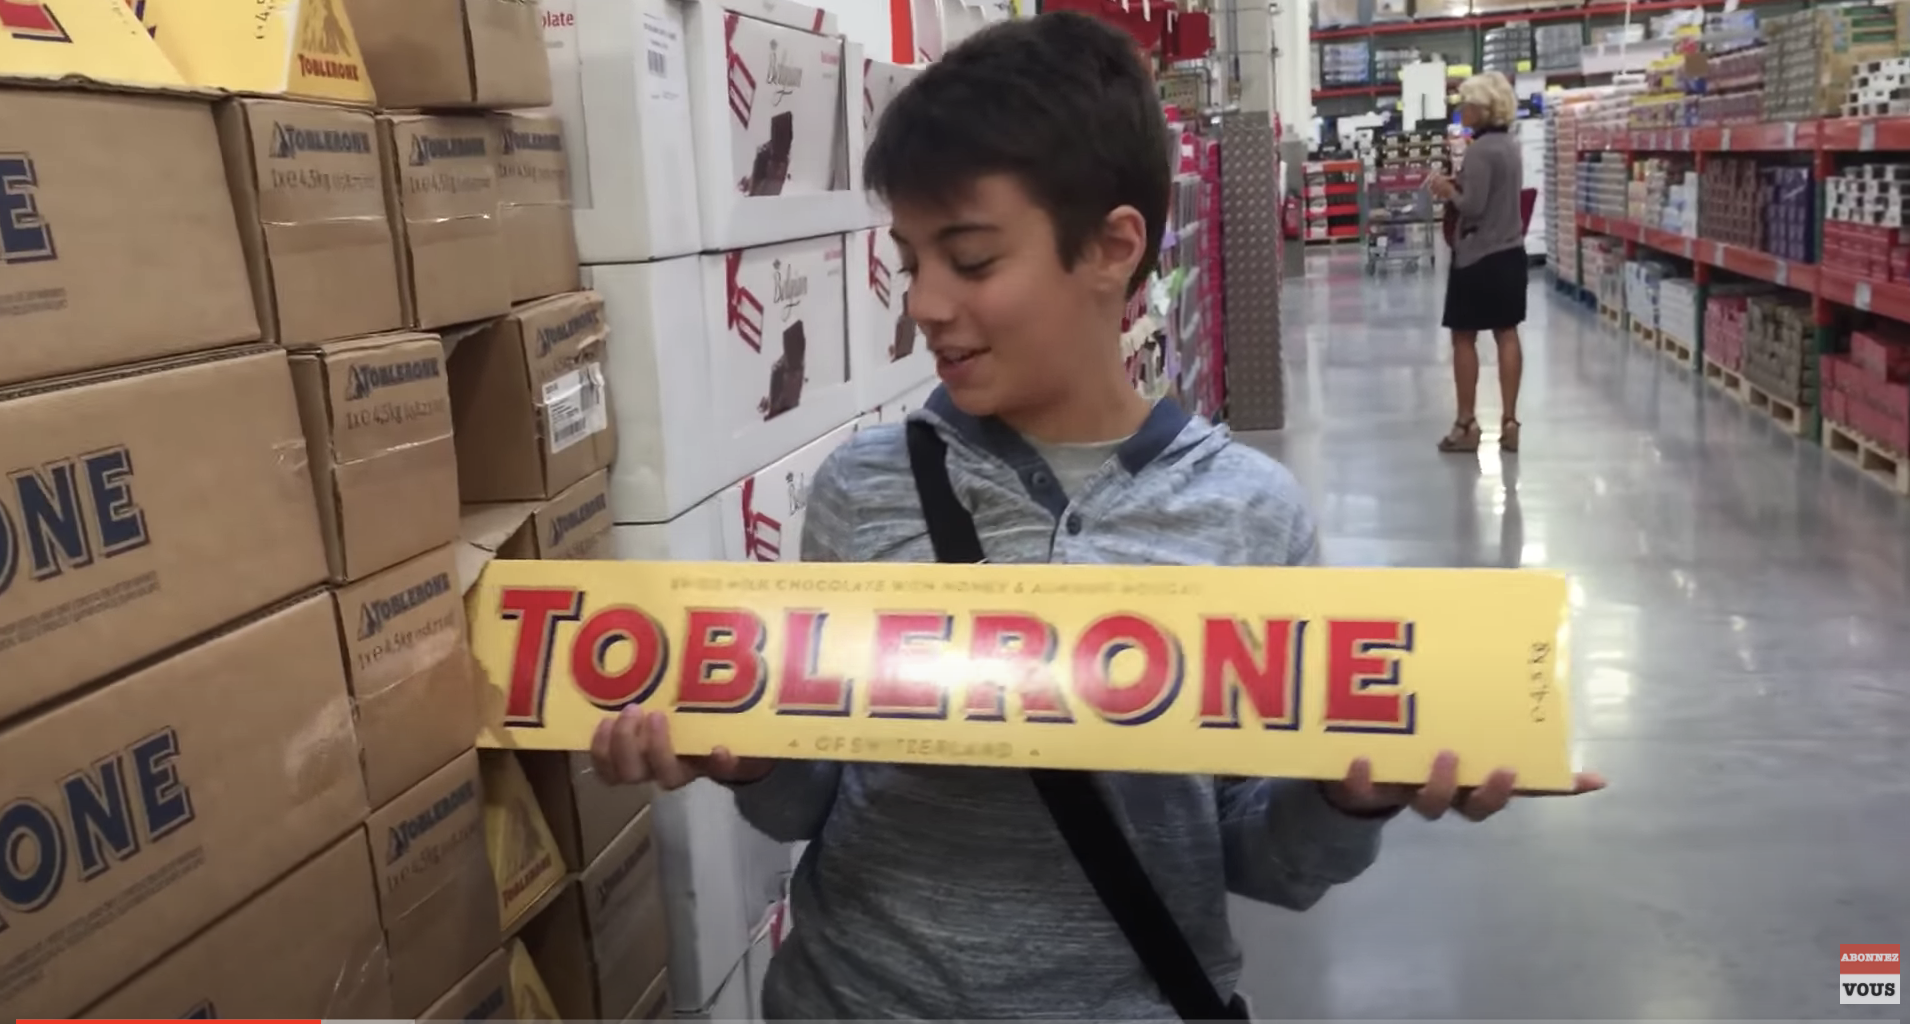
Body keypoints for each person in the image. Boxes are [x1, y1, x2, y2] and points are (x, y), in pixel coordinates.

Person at [591, 15, 1603, 1020]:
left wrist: (1353, 794)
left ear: (1113, 248)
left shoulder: (1245, 518)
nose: (925, 303)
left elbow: (1261, 854)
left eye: (972, 260)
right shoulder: (864, 490)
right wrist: (753, 757)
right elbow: (810, 801)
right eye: (909, 261)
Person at [1428, 72, 1529, 455]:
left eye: (1465, 104)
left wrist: (1447, 189)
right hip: (1510, 253)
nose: (1461, 110)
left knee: (1464, 337)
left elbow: (1473, 206)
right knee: (1507, 332)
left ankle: (1467, 422)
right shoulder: (1510, 146)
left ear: (1483, 108)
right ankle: (1509, 419)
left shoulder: (1481, 151)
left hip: (1477, 256)